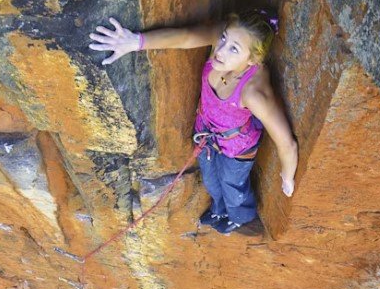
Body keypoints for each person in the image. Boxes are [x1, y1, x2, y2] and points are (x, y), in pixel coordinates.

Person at [88, 12, 298, 234]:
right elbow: (186, 37)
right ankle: (219, 210)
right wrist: (136, 42)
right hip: (206, 134)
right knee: (210, 179)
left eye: (234, 49)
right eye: (224, 39)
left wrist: (287, 176)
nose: (221, 50)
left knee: (232, 185)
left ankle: (239, 217)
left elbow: (287, 143)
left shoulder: (253, 93)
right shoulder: (222, 43)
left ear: (252, 60)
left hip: (237, 148)